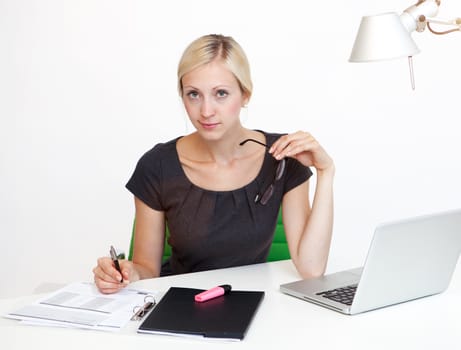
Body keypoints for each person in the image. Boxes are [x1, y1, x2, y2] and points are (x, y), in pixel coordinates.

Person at [93, 34, 335, 294]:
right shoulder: (157, 166)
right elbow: (147, 270)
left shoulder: (282, 156)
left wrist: (326, 171)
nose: (206, 111)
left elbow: (311, 269)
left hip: (253, 304)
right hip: (181, 305)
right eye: (194, 94)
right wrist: (125, 273)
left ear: (245, 95)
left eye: (221, 94)